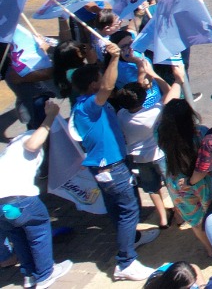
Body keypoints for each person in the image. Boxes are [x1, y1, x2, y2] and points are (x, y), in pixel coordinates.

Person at [70, 44, 157, 281]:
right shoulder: (89, 106)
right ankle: (125, 262)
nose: (105, 80)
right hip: (112, 167)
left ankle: (132, 239)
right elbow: (107, 86)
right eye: (99, 77)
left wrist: (96, 59)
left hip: (111, 165)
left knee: (118, 209)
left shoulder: (84, 102)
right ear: (93, 85)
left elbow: (101, 80)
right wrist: (115, 58)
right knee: (128, 211)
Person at [0, 100, 71, 289]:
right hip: (20, 199)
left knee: (18, 235)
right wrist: (50, 116)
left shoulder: (10, 150)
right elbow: (33, 144)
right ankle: (46, 273)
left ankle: (29, 275)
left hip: (3, 206)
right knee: (38, 231)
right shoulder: (29, 136)